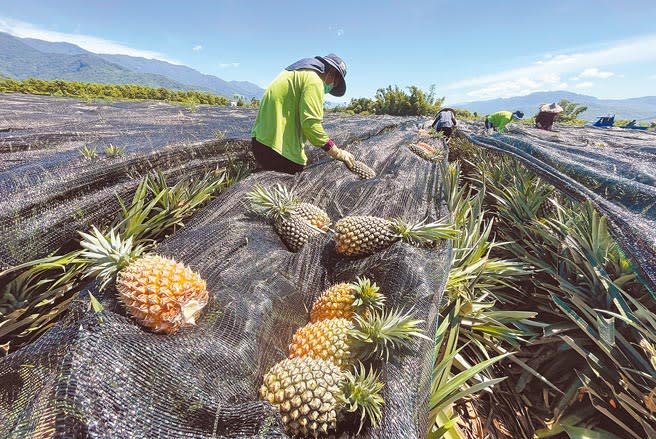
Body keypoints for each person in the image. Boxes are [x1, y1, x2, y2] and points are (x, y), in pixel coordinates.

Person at [250, 53, 355, 174]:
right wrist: (337, 152)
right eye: (335, 83)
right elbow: (311, 125)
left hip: (260, 142)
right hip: (278, 152)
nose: (332, 87)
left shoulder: (295, 72)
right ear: (331, 73)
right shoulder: (314, 80)